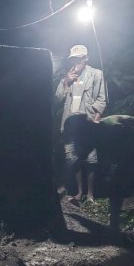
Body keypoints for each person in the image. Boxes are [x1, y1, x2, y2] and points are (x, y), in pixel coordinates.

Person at [62, 113, 134, 243]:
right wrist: (61, 187)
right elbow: (80, 159)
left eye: (76, 136)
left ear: (85, 130)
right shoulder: (92, 135)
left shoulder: (115, 129)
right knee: (116, 184)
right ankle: (114, 227)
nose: (76, 141)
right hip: (133, 155)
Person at [54, 44, 107, 203]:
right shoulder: (68, 76)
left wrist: (95, 120)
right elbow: (57, 99)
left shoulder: (96, 74)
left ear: (86, 58)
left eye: (79, 59)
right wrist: (66, 82)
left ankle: (90, 194)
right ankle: (79, 192)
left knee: (90, 160)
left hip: (87, 123)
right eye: (73, 59)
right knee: (73, 158)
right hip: (70, 125)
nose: (76, 62)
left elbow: (101, 100)